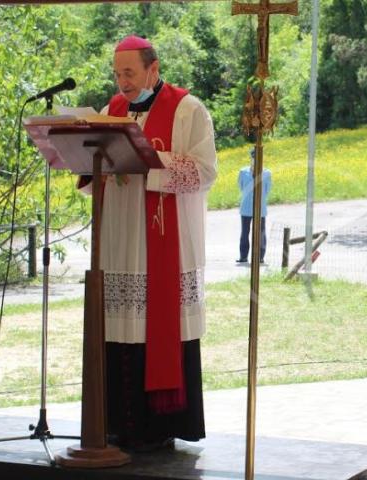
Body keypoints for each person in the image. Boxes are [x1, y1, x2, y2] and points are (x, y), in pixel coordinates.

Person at [77, 34, 217, 451]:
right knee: (120, 328)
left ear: (153, 69)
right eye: (118, 73)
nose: (122, 82)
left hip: (163, 240)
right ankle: (118, 423)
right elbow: (93, 168)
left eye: (130, 73)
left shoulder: (188, 109)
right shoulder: (111, 111)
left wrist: (147, 164)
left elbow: (205, 171)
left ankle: (159, 427)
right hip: (119, 237)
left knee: (158, 324)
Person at [237, 146, 272, 264]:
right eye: (253, 157)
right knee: (245, 232)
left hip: (260, 208)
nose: (255, 160)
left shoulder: (267, 173)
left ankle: (260, 257)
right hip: (246, 207)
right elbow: (241, 187)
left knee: (260, 232)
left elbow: (266, 190)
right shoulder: (243, 172)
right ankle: (243, 256)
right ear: (250, 158)